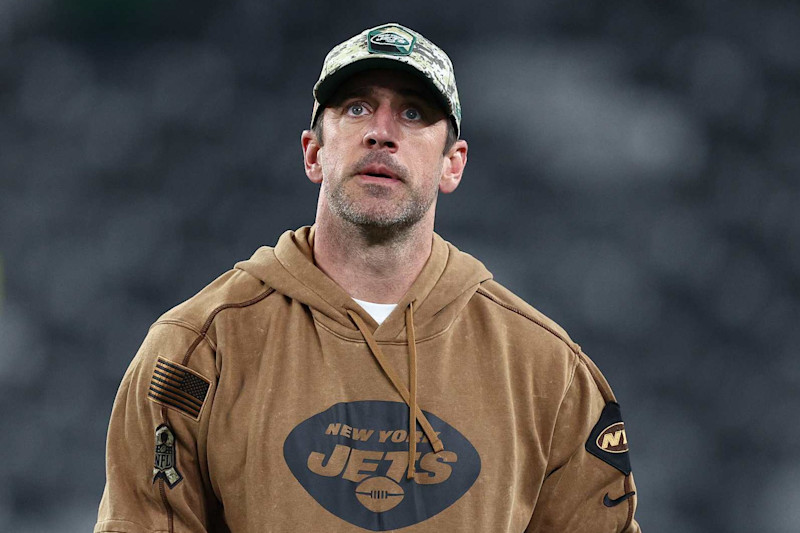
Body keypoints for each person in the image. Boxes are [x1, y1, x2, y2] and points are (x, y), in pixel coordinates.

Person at [95, 23, 642, 533]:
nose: (381, 132)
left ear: (453, 163)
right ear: (314, 153)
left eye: (413, 114)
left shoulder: (547, 371)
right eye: (357, 108)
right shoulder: (193, 354)